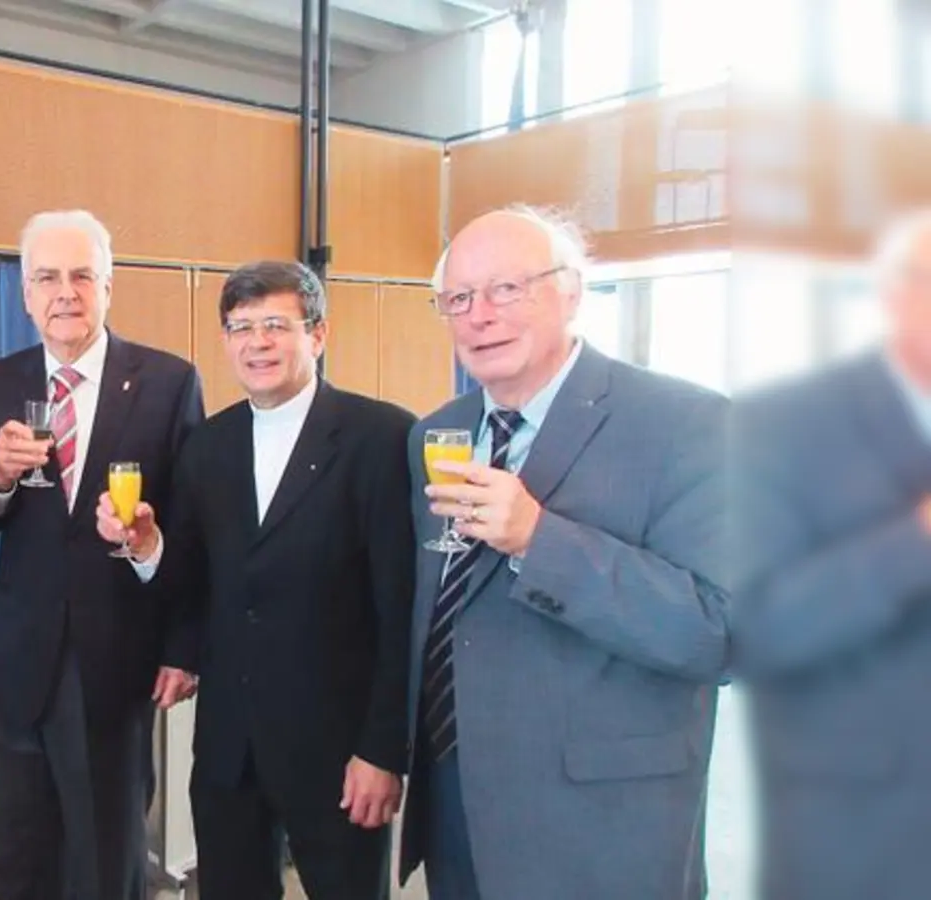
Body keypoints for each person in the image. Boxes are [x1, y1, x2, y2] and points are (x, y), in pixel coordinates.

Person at [399, 206, 730, 899]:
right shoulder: (438, 433)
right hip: (458, 804)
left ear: (572, 291)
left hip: (601, 823)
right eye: (458, 299)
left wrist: (537, 539)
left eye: (506, 289)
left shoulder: (688, 422)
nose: (480, 315)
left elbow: (718, 633)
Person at [95, 260, 416, 899]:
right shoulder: (209, 445)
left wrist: (384, 751)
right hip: (229, 743)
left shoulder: (382, 437)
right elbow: (198, 576)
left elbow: (401, 610)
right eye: (240, 327)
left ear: (317, 335)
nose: (257, 342)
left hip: (337, 747)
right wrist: (149, 546)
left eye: (275, 325)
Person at [0, 209, 204, 900]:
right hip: (18, 660)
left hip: (116, 655)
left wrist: (184, 646)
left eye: (80, 275)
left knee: (104, 856)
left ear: (108, 285)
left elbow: (192, 528)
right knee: (19, 850)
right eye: (46, 277)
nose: (64, 292)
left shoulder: (167, 382)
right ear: (24, 294)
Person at [731, 211, 931, 900]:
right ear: (896, 294)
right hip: (866, 839)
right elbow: (756, 629)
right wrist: (914, 541)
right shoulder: (783, 424)